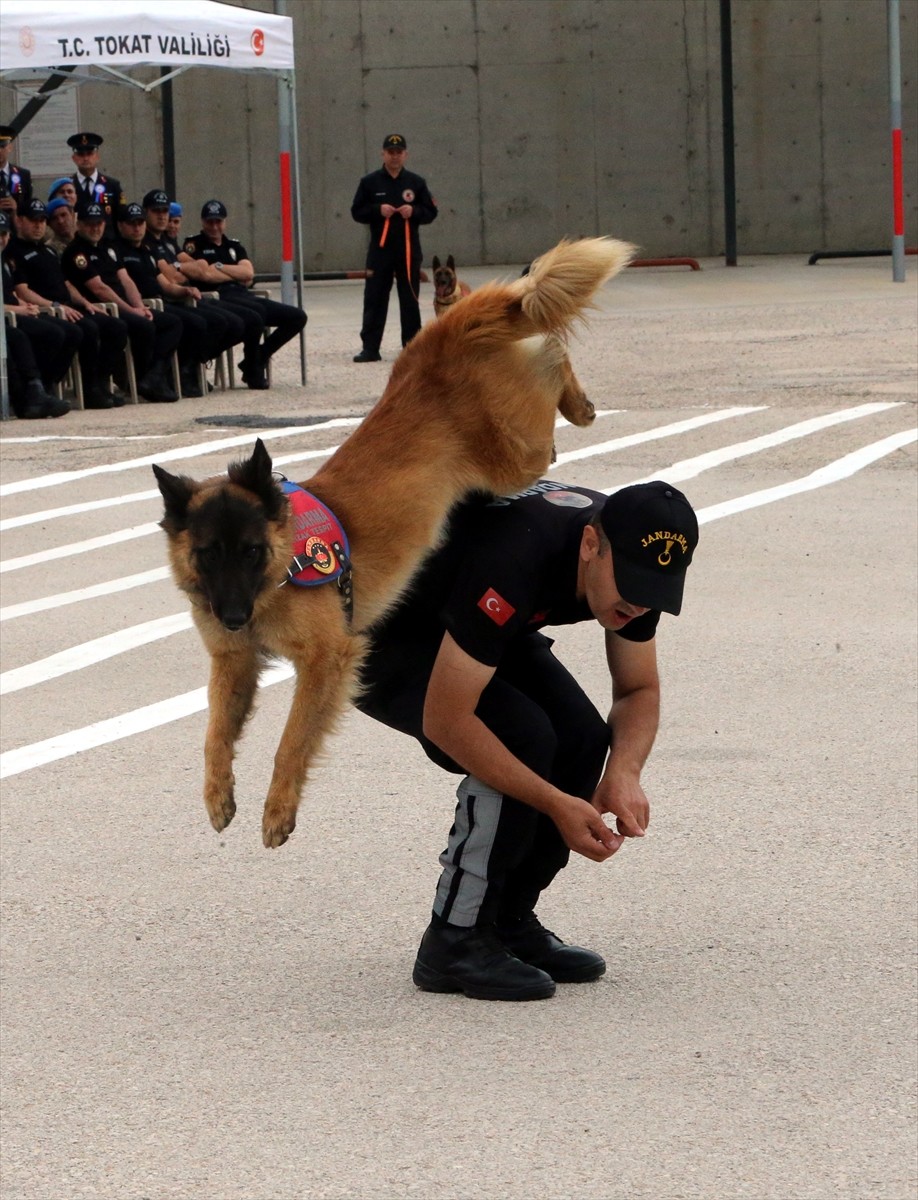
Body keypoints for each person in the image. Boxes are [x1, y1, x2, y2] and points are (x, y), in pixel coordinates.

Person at [355, 478, 699, 1001]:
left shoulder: (631, 561)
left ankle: (508, 923)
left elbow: (637, 688)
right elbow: (447, 721)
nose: (637, 605)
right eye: (629, 585)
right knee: (522, 740)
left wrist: (623, 772)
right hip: (382, 631)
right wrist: (556, 803)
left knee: (583, 738)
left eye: (653, 593)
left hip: (476, 621)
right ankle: (454, 938)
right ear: (590, 546)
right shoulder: (518, 557)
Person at [9, 198, 127, 409]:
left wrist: (84, 302)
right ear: (19, 220)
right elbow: (22, 290)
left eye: (42, 220)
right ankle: (53, 385)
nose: (38, 225)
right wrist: (54, 306)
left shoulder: (49, 251)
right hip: (46, 309)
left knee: (115, 326)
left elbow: (66, 283)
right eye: (33, 220)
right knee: (81, 331)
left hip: (65, 306)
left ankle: (98, 381)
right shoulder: (15, 251)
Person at [179, 198, 307, 389]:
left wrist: (220, 267)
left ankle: (256, 359)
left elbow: (248, 273)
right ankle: (254, 369)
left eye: (218, 221)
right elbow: (205, 275)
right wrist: (232, 273)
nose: (214, 227)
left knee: (297, 317)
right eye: (210, 222)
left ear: (225, 222)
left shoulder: (234, 246)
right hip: (218, 296)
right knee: (255, 315)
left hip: (242, 293)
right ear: (202, 222)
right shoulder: (193, 245)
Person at [116, 200, 238, 398]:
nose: (137, 227)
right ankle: (162, 376)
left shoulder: (147, 251)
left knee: (222, 321)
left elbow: (166, 282)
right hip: (146, 304)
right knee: (185, 323)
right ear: (121, 225)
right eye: (132, 223)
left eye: (139, 223)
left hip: (163, 299)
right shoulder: (118, 250)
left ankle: (183, 370)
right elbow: (128, 282)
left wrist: (185, 291)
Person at [62, 202, 181, 402]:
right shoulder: (77, 252)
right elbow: (99, 289)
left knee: (172, 323)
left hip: (123, 306)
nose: (95, 228)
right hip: (102, 307)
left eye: (99, 223)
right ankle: (126, 380)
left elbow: (126, 280)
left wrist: (139, 306)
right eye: (90, 223)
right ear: (79, 224)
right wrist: (131, 311)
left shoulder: (107, 248)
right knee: (141, 327)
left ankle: (154, 376)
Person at [350, 133, 438, 362]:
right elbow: (356, 212)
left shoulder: (416, 183)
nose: (395, 156)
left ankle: (412, 348)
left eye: (399, 153)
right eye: (390, 152)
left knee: (410, 298)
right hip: (380, 252)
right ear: (383, 154)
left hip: (408, 251)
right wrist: (377, 210)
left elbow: (431, 212)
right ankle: (370, 347)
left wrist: (415, 212)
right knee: (375, 298)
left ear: (405, 155)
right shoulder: (369, 182)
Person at [0, 212, 71, 418]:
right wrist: (19, 310)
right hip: (7, 319)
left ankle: (41, 388)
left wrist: (25, 306)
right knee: (20, 337)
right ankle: (30, 393)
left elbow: (10, 294)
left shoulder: (4, 261)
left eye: (5, 234)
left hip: (14, 314)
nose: (2, 239)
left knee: (61, 332)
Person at [67, 132, 123, 231]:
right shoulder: (67, 187)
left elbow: (121, 218)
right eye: (81, 154)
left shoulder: (112, 185)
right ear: (74, 158)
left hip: (107, 242)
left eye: (89, 153)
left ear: (97, 156)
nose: (85, 158)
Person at [0, 124, 32, 230]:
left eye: (2, 146)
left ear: (9, 147)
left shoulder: (22, 175)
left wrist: (16, 208)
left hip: (17, 232)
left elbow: (28, 206)